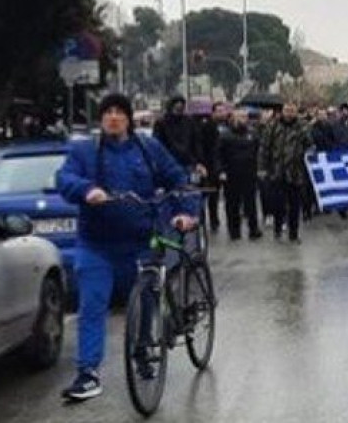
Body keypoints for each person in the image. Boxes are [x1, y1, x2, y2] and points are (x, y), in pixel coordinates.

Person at [55, 93, 198, 402]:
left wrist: (186, 211)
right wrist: (87, 189)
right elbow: (64, 178)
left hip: (140, 242)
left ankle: (144, 350)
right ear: (101, 118)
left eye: (120, 112)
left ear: (129, 118)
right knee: (92, 306)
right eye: (108, 112)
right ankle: (88, 373)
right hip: (97, 245)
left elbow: (177, 178)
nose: (114, 117)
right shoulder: (86, 151)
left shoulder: (148, 149)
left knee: (147, 298)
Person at [257, 102, 314, 243]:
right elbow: (264, 148)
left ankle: (293, 234)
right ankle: (277, 229)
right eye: (287, 110)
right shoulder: (273, 126)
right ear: (282, 111)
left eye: (292, 111)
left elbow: (310, 145)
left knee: (295, 206)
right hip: (277, 171)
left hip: (296, 173)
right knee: (278, 204)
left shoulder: (302, 127)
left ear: (296, 112)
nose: (289, 113)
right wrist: (262, 168)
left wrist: (310, 153)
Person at [217, 109, 264, 241]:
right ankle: (234, 231)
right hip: (231, 174)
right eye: (241, 116)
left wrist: (259, 168)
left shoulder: (252, 134)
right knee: (232, 204)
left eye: (245, 116)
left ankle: (253, 230)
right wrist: (221, 171)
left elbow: (258, 152)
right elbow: (219, 155)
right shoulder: (225, 135)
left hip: (249, 174)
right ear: (234, 118)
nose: (244, 119)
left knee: (251, 204)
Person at [196, 101, 230, 233]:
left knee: (216, 195)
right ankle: (204, 220)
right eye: (219, 111)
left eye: (223, 110)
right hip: (209, 166)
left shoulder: (228, 125)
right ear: (213, 112)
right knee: (206, 194)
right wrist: (202, 163)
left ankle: (215, 220)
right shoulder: (206, 126)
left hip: (223, 165)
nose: (222, 113)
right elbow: (202, 146)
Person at [153, 95, 203, 175]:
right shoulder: (162, 122)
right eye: (176, 108)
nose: (179, 110)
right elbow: (157, 144)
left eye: (181, 108)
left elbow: (196, 142)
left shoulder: (189, 122)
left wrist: (198, 161)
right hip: (168, 163)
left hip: (188, 162)